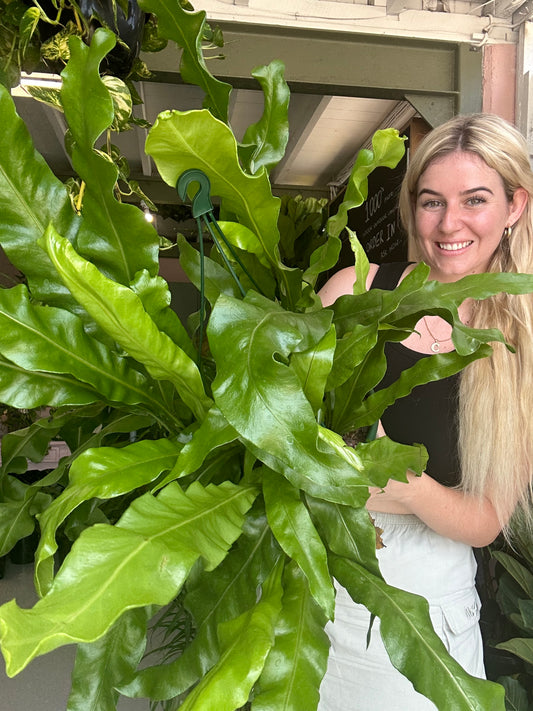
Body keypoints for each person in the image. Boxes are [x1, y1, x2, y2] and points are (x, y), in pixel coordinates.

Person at [317, 112, 533, 710]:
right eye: (432, 201)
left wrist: (406, 488)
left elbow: (486, 520)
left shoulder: (521, 342)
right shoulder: (353, 293)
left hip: (427, 603)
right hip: (315, 580)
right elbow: (280, 432)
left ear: (514, 207)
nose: (449, 223)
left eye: (476, 200)